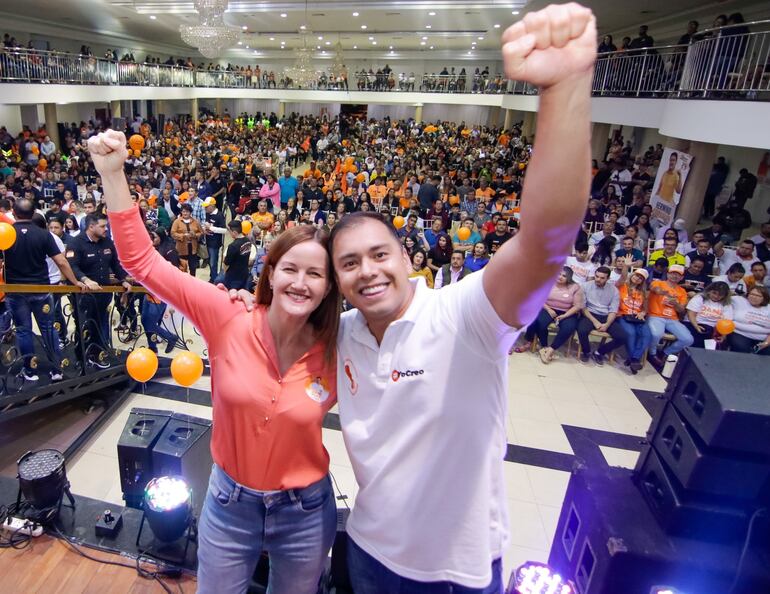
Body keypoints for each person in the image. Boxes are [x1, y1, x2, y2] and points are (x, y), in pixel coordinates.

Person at [87, 130, 342, 594]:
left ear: (328, 287)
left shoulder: (340, 343)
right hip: (230, 504)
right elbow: (142, 262)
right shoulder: (228, 315)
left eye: (315, 273)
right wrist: (113, 174)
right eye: (290, 269)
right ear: (270, 273)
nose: (300, 282)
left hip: (305, 512)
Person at [4, 199, 86, 381]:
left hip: (16, 290)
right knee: (48, 329)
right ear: (34, 212)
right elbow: (61, 261)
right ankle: (56, 370)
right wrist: (75, 281)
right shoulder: (44, 234)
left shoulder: (7, 233)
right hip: (40, 289)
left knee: (23, 331)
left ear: (14, 213)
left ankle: (30, 370)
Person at [515, 267, 584, 363]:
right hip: (548, 308)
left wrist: (565, 315)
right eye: (559, 274)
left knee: (569, 327)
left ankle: (551, 349)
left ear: (569, 278)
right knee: (540, 322)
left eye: (564, 276)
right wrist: (549, 309)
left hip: (567, 311)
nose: (560, 277)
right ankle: (544, 346)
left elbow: (577, 306)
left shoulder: (575, 287)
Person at [576, 266, 626, 365]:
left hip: (606, 316)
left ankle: (599, 352)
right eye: (597, 276)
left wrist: (607, 324)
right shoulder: (585, 286)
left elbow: (613, 311)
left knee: (623, 337)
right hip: (589, 313)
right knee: (581, 330)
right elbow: (583, 307)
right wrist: (595, 321)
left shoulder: (614, 290)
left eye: (602, 278)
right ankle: (586, 352)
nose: (598, 279)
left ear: (608, 279)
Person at [646, 264, 694, 367]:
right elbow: (653, 288)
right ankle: (652, 354)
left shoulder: (682, 291)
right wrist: (663, 292)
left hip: (672, 319)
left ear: (681, 277)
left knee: (688, 339)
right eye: (672, 273)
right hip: (655, 315)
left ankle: (665, 353)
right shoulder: (658, 282)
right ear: (667, 274)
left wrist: (675, 304)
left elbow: (681, 310)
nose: (675, 276)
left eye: (678, 274)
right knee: (656, 334)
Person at [615, 266, 651, 374]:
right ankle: (634, 360)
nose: (637, 278)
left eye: (641, 278)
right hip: (622, 315)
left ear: (643, 281)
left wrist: (643, 312)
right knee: (631, 333)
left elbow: (645, 309)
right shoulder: (622, 285)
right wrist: (626, 266)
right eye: (636, 275)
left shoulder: (643, 292)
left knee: (647, 335)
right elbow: (623, 277)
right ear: (632, 275)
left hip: (637, 317)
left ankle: (633, 359)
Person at [684, 281, 732, 348]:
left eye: (720, 295)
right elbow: (691, 314)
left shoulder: (726, 304)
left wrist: (723, 335)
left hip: (714, 329)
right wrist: (696, 326)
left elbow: (726, 322)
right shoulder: (700, 298)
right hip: (693, 323)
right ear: (709, 291)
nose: (716, 296)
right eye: (714, 293)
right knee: (698, 338)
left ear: (725, 296)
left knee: (719, 344)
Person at [727, 286, 770, 355]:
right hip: (740, 333)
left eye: (758, 296)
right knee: (741, 349)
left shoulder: (768, 308)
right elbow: (722, 296)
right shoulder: (738, 300)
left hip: (764, 337)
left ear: (764, 298)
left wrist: (767, 342)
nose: (754, 297)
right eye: (752, 294)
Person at [171, 203, 204, 277]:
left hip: (193, 248)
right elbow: (173, 233)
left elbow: (201, 232)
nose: (185, 213)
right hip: (181, 248)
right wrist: (183, 236)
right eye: (183, 211)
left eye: (187, 211)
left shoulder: (195, 221)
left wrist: (195, 235)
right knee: (182, 267)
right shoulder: (177, 222)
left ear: (190, 212)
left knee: (193, 268)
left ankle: (193, 281)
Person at [202, 197, 226, 283]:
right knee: (210, 261)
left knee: (213, 262)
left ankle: (215, 280)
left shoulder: (219, 215)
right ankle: (212, 277)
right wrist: (204, 229)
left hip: (215, 243)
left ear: (212, 206)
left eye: (206, 206)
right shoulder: (208, 214)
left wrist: (211, 228)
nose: (205, 208)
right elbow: (206, 224)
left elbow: (224, 230)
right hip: (207, 241)